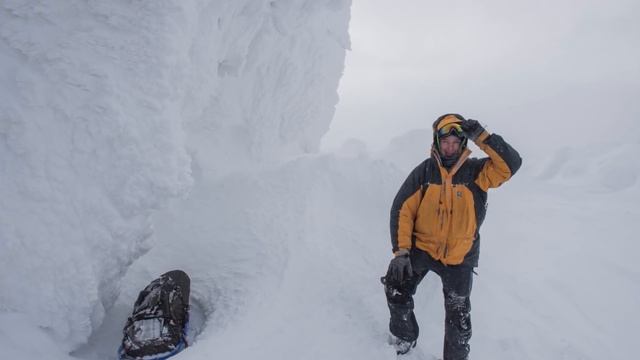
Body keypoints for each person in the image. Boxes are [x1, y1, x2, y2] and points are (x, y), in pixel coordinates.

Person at [382, 114, 522, 359]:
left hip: (460, 256)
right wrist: (402, 252)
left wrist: (482, 137)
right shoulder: (425, 172)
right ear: (437, 142)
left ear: (463, 143)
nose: (450, 147)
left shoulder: (478, 172)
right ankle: (404, 338)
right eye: (445, 141)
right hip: (423, 249)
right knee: (395, 286)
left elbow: (511, 165)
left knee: (458, 317)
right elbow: (402, 210)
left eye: (455, 143)